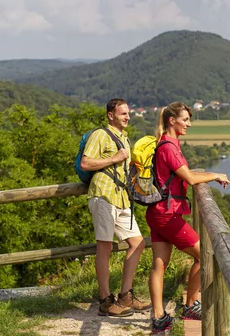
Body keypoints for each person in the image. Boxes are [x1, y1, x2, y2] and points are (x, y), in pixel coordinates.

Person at [146, 102, 230, 333]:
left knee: (159, 265)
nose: (189, 124)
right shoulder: (169, 147)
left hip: (157, 212)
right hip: (168, 214)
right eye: (185, 119)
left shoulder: (165, 143)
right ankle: (190, 305)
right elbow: (190, 179)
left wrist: (203, 174)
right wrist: (215, 175)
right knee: (204, 255)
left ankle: (158, 317)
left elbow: (183, 174)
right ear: (172, 120)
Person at [81, 98, 152, 317]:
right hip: (103, 195)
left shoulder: (124, 137)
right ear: (111, 115)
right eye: (123, 114)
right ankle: (104, 301)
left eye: (128, 113)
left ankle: (125, 296)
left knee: (138, 243)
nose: (128, 117)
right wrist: (115, 158)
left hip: (121, 197)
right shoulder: (100, 135)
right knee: (105, 247)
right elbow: (86, 163)